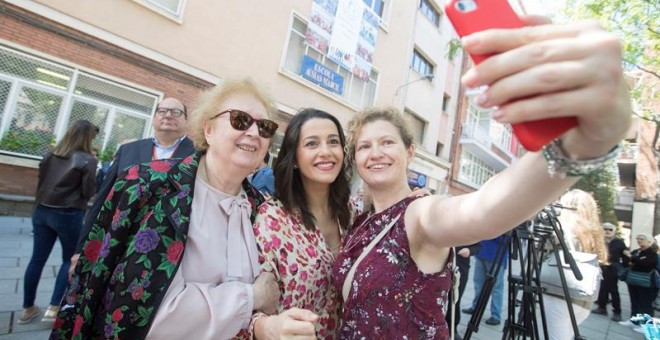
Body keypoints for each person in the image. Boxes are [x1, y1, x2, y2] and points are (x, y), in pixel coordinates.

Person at [328, 18, 631, 338]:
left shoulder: (419, 214)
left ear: (410, 152)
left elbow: (483, 209)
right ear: (356, 158)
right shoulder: (360, 219)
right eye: (364, 146)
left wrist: (584, 140)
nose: (375, 153)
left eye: (387, 142)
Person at [51, 78, 281, 339]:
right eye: (240, 120)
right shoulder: (146, 184)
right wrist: (252, 297)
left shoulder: (260, 209)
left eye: (264, 126)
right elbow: (143, 311)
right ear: (208, 130)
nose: (253, 132)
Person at [251, 108, 352, 339]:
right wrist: (269, 328)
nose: (326, 152)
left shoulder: (352, 214)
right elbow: (252, 307)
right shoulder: (273, 218)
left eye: (333, 142)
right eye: (312, 144)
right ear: (294, 158)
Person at [69, 97, 195, 275]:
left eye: (176, 112)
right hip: (119, 241)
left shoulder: (199, 157)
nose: (168, 116)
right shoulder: (128, 151)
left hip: (169, 251)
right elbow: (103, 201)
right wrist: (81, 249)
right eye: (162, 111)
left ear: (186, 121)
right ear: (154, 118)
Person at [19, 120, 99, 324]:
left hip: (42, 211)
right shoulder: (87, 159)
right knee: (69, 259)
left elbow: (41, 180)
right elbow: (89, 191)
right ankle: (53, 309)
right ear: (87, 137)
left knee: (37, 260)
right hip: (68, 214)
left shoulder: (49, 154)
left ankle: (27, 309)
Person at [542, 189, 608, 340]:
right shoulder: (594, 232)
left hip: (560, 294)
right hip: (583, 299)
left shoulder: (564, 229)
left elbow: (543, 246)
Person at [462, 235, 508, 326]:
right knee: (478, 285)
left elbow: (506, 238)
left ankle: (496, 315)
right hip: (481, 253)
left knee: (496, 288)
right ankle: (476, 307)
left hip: (497, 256)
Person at [619, 233, 658, 330]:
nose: (639, 240)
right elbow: (626, 262)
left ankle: (647, 326)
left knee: (645, 304)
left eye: (642, 239)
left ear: (649, 241)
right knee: (634, 301)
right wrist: (634, 259)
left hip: (646, 282)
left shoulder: (652, 253)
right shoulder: (636, 251)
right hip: (633, 279)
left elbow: (645, 264)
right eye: (638, 238)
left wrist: (633, 259)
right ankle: (634, 321)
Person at [593, 222, 628, 321]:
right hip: (601, 267)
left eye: (610, 229)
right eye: (605, 229)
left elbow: (625, 255)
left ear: (614, 231)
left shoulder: (619, 242)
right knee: (602, 288)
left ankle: (617, 312)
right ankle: (602, 308)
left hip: (612, 269)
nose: (607, 231)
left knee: (613, 290)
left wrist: (622, 267)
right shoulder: (599, 241)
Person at [446, 242, 481, 340]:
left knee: (455, 300)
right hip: (440, 266)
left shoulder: (470, 228)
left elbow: (478, 246)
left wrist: (469, 251)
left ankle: (452, 328)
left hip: (460, 269)